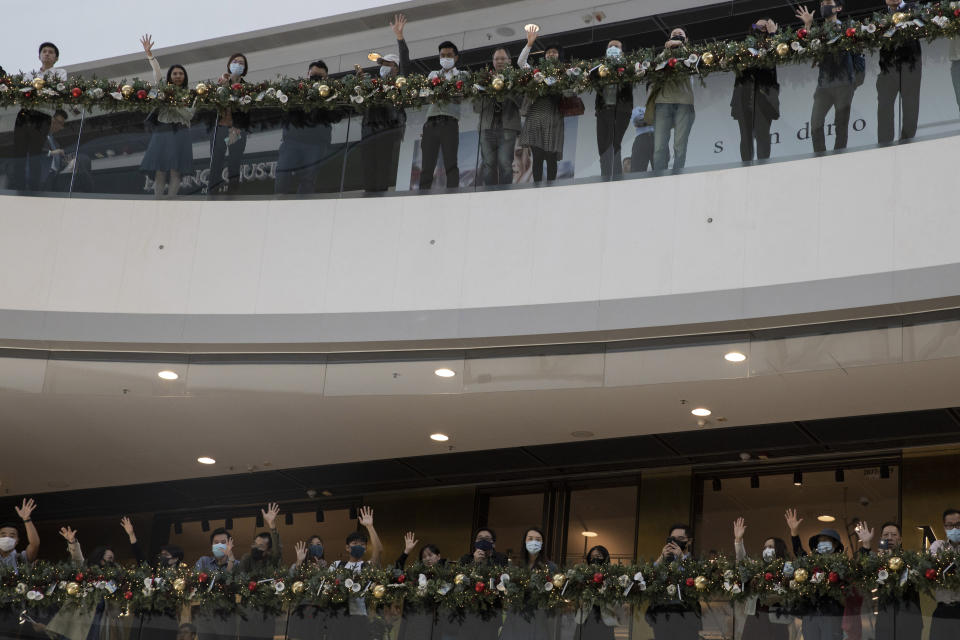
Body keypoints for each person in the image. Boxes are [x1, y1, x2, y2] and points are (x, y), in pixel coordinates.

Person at [795, 2, 865, 153]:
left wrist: (855, 81)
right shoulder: (818, 32)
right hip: (824, 86)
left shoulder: (848, 27)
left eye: (828, 3)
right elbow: (805, 50)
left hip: (844, 84)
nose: (824, 6)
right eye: (822, 3)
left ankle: (839, 157)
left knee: (841, 125)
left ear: (838, 8)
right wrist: (807, 25)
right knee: (815, 124)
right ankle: (820, 157)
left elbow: (859, 54)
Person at [137, 35, 194, 198]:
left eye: (180, 73)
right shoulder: (164, 88)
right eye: (174, 73)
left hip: (180, 132)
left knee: (176, 171)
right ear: (170, 76)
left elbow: (189, 114)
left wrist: (174, 101)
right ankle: (158, 201)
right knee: (160, 170)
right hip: (162, 131)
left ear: (184, 77)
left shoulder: (191, 94)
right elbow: (157, 72)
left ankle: (171, 201)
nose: (177, 76)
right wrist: (149, 55)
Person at [276, 61, 344, 195]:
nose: (316, 79)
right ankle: (278, 205)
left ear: (326, 78)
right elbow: (284, 110)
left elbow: (337, 116)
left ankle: (303, 207)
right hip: (292, 141)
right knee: (282, 175)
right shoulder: (296, 90)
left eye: (320, 76)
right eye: (313, 75)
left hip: (316, 144)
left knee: (308, 179)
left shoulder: (332, 94)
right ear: (307, 74)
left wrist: (326, 99)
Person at [360, 14, 410, 193]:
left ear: (396, 68)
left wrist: (399, 37)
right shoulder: (372, 84)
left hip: (389, 131)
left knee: (383, 169)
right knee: (367, 169)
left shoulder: (400, 83)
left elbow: (405, 58)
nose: (384, 66)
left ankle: (380, 198)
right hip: (368, 131)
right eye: (382, 63)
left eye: (388, 64)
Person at [11, 43, 67, 191]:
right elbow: (24, 92)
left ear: (56, 58)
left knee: (35, 152)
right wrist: (42, 90)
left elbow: (57, 91)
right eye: (44, 51)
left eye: (50, 52)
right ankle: (18, 186)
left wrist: (36, 90)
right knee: (19, 151)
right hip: (25, 114)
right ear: (39, 56)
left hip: (43, 115)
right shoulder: (30, 73)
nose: (47, 54)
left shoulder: (60, 73)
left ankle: (34, 187)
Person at [785, 508, 846, 640]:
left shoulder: (842, 565)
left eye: (826, 540)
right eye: (820, 541)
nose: (822, 543)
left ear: (835, 545)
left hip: (831, 614)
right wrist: (794, 532)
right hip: (811, 613)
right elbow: (800, 553)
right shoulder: (811, 563)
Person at [855, 520, 922, 640]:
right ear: (881, 538)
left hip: (910, 620)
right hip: (885, 621)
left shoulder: (911, 560)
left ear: (900, 540)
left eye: (894, 535)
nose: (890, 538)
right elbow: (861, 569)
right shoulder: (877, 562)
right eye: (886, 535)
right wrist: (866, 545)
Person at [518, 26, 565, 183]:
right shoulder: (536, 72)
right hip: (535, 117)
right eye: (548, 52)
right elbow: (521, 62)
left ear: (559, 56)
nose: (551, 54)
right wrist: (529, 44)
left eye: (554, 52)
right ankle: (536, 188)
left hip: (553, 118)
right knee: (537, 157)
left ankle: (551, 188)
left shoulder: (565, 74)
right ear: (544, 56)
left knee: (551, 156)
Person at [419, 40, 468, 191]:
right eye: (442, 55)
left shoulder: (462, 74)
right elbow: (425, 95)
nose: (445, 58)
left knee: (450, 162)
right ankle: (422, 194)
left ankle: (452, 193)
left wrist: (440, 91)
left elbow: (460, 96)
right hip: (430, 122)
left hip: (449, 122)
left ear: (456, 57)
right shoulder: (433, 74)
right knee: (427, 164)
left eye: (449, 55)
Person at [328, 507, 383, 640]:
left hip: (359, 616)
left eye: (362, 544)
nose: (358, 546)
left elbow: (379, 551)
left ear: (365, 548)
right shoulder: (336, 565)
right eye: (354, 543)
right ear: (347, 547)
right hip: (338, 615)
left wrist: (369, 526)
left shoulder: (367, 566)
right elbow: (326, 586)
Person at [732, 517, 790, 640]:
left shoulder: (787, 568)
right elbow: (742, 562)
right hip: (756, 618)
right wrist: (738, 540)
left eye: (770, 547)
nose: (766, 550)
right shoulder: (758, 568)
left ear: (778, 549)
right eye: (765, 547)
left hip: (778, 620)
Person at [731, 19, 780, 161]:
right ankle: (746, 167)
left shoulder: (775, 44)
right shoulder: (744, 47)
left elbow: (775, 57)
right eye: (757, 25)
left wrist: (773, 35)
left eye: (764, 26)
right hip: (744, 96)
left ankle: (763, 167)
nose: (760, 28)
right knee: (745, 137)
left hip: (765, 97)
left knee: (763, 135)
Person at [475, 47, 522, 186]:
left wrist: (507, 87)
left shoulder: (517, 78)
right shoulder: (484, 80)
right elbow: (476, 107)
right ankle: (489, 195)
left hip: (507, 127)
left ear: (509, 60)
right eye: (497, 59)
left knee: (505, 164)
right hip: (486, 127)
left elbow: (521, 102)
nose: (499, 61)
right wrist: (488, 90)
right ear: (493, 62)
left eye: (503, 58)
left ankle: (505, 195)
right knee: (488, 165)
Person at [877, 0, 921, 144]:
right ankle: (885, 144)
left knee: (910, 104)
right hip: (887, 68)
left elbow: (922, 25)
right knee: (884, 106)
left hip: (910, 65)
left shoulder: (913, 8)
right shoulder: (880, 16)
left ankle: (907, 141)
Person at [500, 528, 557, 640]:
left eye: (538, 539)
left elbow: (554, 595)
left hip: (539, 617)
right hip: (515, 616)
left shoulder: (550, 567)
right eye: (530, 539)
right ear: (525, 542)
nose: (533, 542)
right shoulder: (516, 566)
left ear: (542, 543)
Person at [646, 524, 701, 640]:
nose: (675, 542)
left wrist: (681, 557)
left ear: (689, 541)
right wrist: (661, 558)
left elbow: (697, 579)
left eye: (680, 539)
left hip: (687, 616)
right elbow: (648, 579)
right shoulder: (664, 561)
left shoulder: (695, 561)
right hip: (662, 617)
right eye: (672, 539)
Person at [651, 29, 696, 172]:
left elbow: (695, 61)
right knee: (659, 147)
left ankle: (678, 175)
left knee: (680, 145)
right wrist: (667, 49)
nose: (677, 37)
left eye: (680, 36)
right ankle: (659, 177)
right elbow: (655, 66)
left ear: (686, 39)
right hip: (663, 103)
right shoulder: (664, 54)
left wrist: (681, 45)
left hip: (684, 103)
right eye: (674, 36)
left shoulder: (691, 53)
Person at [207, 53, 252, 195]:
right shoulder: (220, 83)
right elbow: (212, 107)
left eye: (241, 63)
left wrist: (238, 128)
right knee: (216, 164)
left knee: (234, 164)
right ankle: (212, 194)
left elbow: (247, 112)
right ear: (229, 64)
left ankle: (233, 195)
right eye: (235, 61)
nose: (237, 64)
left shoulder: (247, 88)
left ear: (244, 68)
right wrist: (223, 86)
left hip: (236, 130)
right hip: (219, 129)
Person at [594, 40, 633, 179]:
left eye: (616, 47)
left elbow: (631, 77)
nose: (613, 48)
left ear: (622, 52)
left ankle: (616, 178)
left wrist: (621, 65)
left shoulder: (627, 66)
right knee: (602, 146)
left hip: (620, 110)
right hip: (603, 110)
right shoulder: (600, 68)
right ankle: (605, 177)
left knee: (613, 143)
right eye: (610, 46)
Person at [575, 546, 629, 640]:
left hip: (605, 621)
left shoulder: (612, 577)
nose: (594, 559)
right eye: (591, 558)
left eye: (598, 556)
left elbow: (618, 601)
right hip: (585, 620)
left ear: (605, 558)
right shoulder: (584, 577)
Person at [928, 508, 960, 640]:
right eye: (950, 525)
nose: (954, 529)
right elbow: (933, 565)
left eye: (958, 525)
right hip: (942, 611)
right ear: (944, 527)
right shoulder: (937, 546)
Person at [237, 502, 283, 573]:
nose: (256, 547)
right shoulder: (247, 559)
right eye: (255, 544)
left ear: (268, 550)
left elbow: (277, 551)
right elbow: (240, 578)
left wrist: (272, 525)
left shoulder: (271, 560)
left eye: (261, 546)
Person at [0, 499, 39, 571]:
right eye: (3, 535)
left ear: (17, 541)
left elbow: (34, 544)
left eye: (12, 536)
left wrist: (26, 519)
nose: (7, 538)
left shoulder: (22, 558)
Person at [628, 105, 656, 172]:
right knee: (637, 172)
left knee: (661, 171)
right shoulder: (635, 110)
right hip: (642, 139)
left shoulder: (657, 107)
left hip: (656, 138)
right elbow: (638, 122)